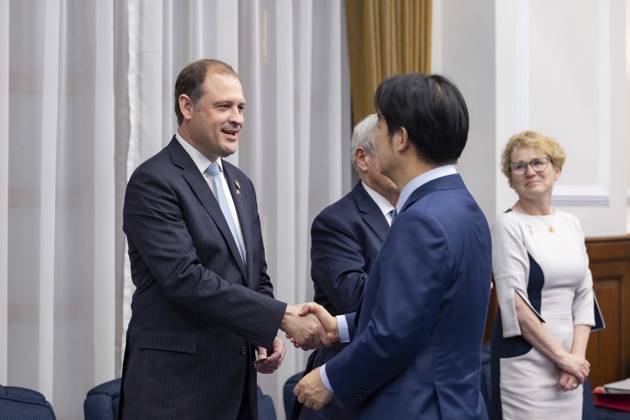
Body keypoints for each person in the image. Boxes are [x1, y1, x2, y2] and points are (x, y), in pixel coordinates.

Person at [118, 59, 328, 420]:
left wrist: (264, 335)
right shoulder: (154, 180)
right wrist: (279, 317)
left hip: (235, 389)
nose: (238, 119)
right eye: (224, 106)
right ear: (187, 107)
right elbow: (186, 279)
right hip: (173, 392)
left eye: (241, 108)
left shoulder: (241, 185)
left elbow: (255, 275)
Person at [293, 73, 492, 419]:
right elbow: (424, 313)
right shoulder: (465, 206)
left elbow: (393, 335)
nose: (377, 135)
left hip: (417, 407)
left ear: (401, 138)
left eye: (381, 125)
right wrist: (338, 327)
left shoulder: (421, 219)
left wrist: (328, 378)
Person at [489, 131, 604, 420]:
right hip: (526, 363)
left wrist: (576, 358)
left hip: (570, 360)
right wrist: (562, 358)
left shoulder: (571, 223)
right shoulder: (507, 225)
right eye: (519, 166)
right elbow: (515, 305)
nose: (530, 171)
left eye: (538, 162)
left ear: (556, 169)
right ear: (511, 178)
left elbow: (583, 295)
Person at [294, 113, 399, 420]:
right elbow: (357, 299)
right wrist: (429, 284)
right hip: (348, 388)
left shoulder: (419, 214)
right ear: (362, 158)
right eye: (392, 149)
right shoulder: (337, 222)